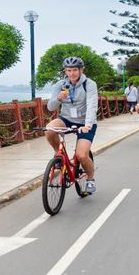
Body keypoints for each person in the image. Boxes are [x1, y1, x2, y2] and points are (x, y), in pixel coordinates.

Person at [46, 56, 98, 194]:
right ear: (65, 70)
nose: (72, 73)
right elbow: (50, 107)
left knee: (81, 155)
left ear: (81, 70)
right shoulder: (60, 85)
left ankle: (90, 179)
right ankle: (58, 154)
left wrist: (87, 125)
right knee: (50, 129)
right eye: (69, 70)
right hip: (66, 119)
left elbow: (92, 106)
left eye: (75, 70)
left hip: (85, 122)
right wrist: (58, 98)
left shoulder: (89, 84)